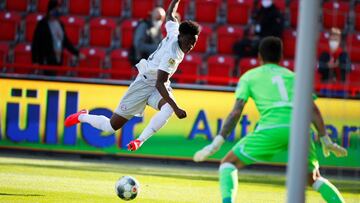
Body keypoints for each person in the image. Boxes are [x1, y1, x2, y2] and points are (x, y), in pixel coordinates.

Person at [193, 37, 348, 203]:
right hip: (301, 130)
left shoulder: (250, 76)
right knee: (314, 178)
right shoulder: (294, 76)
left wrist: (218, 141)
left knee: (228, 164)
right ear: (281, 58)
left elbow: (237, 111)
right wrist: (325, 139)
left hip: (272, 129)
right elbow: (314, 110)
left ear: (259, 57)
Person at [64, 0, 200, 151]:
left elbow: (170, 14)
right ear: (181, 36)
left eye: (194, 43)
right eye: (189, 42)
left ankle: (139, 141)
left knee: (167, 109)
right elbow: (160, 83)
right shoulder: (172, 55)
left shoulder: (175, 31)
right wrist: (177, 108)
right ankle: (82, 116)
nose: (191, 46)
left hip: (156, 85)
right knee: (110, 127)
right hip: (145, 84)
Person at [31, 0, 84, 76]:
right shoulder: (42, 24)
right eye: (56, 8)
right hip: (46, 61)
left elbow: (65, 41)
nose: (59, 10)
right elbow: (35, 43)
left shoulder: (60, 24)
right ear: (50, 10)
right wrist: (35, 61)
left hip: (57, 59)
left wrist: (76, 53)